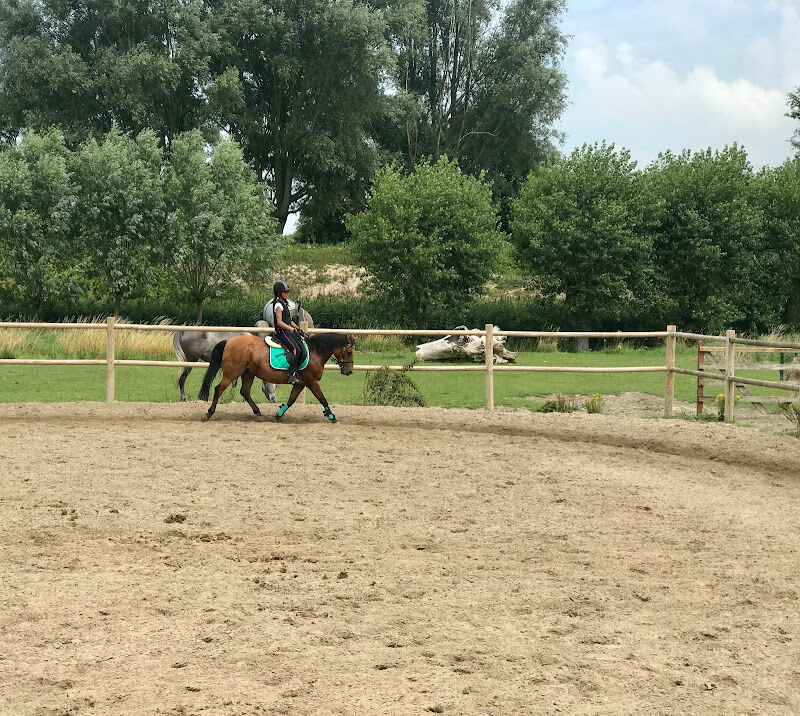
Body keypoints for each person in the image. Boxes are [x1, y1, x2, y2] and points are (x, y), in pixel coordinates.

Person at [271, 281, 306, 384]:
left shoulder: (285, 304)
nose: (287, 294)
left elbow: (289, 320)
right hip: (282, 332)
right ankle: (291, 374)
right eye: (285, 292)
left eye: (288, 292)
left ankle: (296, 370)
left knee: (302, 348)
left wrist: (298, 329)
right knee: (296, 350)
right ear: (279, 293)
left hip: (287, 331)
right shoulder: (278, 305)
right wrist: (292, 329)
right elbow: (280, 322)